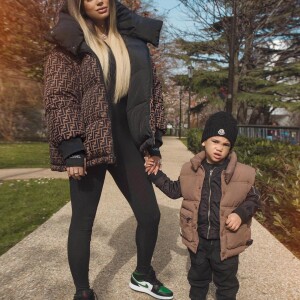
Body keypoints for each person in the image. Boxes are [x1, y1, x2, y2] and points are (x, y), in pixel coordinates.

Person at [43, 0, 173, 299]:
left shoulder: (134, 43)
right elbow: (59, 96)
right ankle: (83, 291)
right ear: (79, 4)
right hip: (88, 144)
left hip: (129, 143)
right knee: (83, 221)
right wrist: (72, 148)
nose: (99, 0)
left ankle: (142, 275)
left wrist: (152, 144)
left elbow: (152, 96)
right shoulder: (68, 43)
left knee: (150, 215)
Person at [145, 111, 260, 300]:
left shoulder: (242, 174)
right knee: (197, 280)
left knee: (227, 284)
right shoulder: (190, 170)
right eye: (215, 141)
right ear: (204, 142)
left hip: (226, 241)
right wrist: (155, 174)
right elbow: (174, 190)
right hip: (198, 241)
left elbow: (254, 198)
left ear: (230, 148)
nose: (219, 148)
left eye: (225, 144)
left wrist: (240, 214)